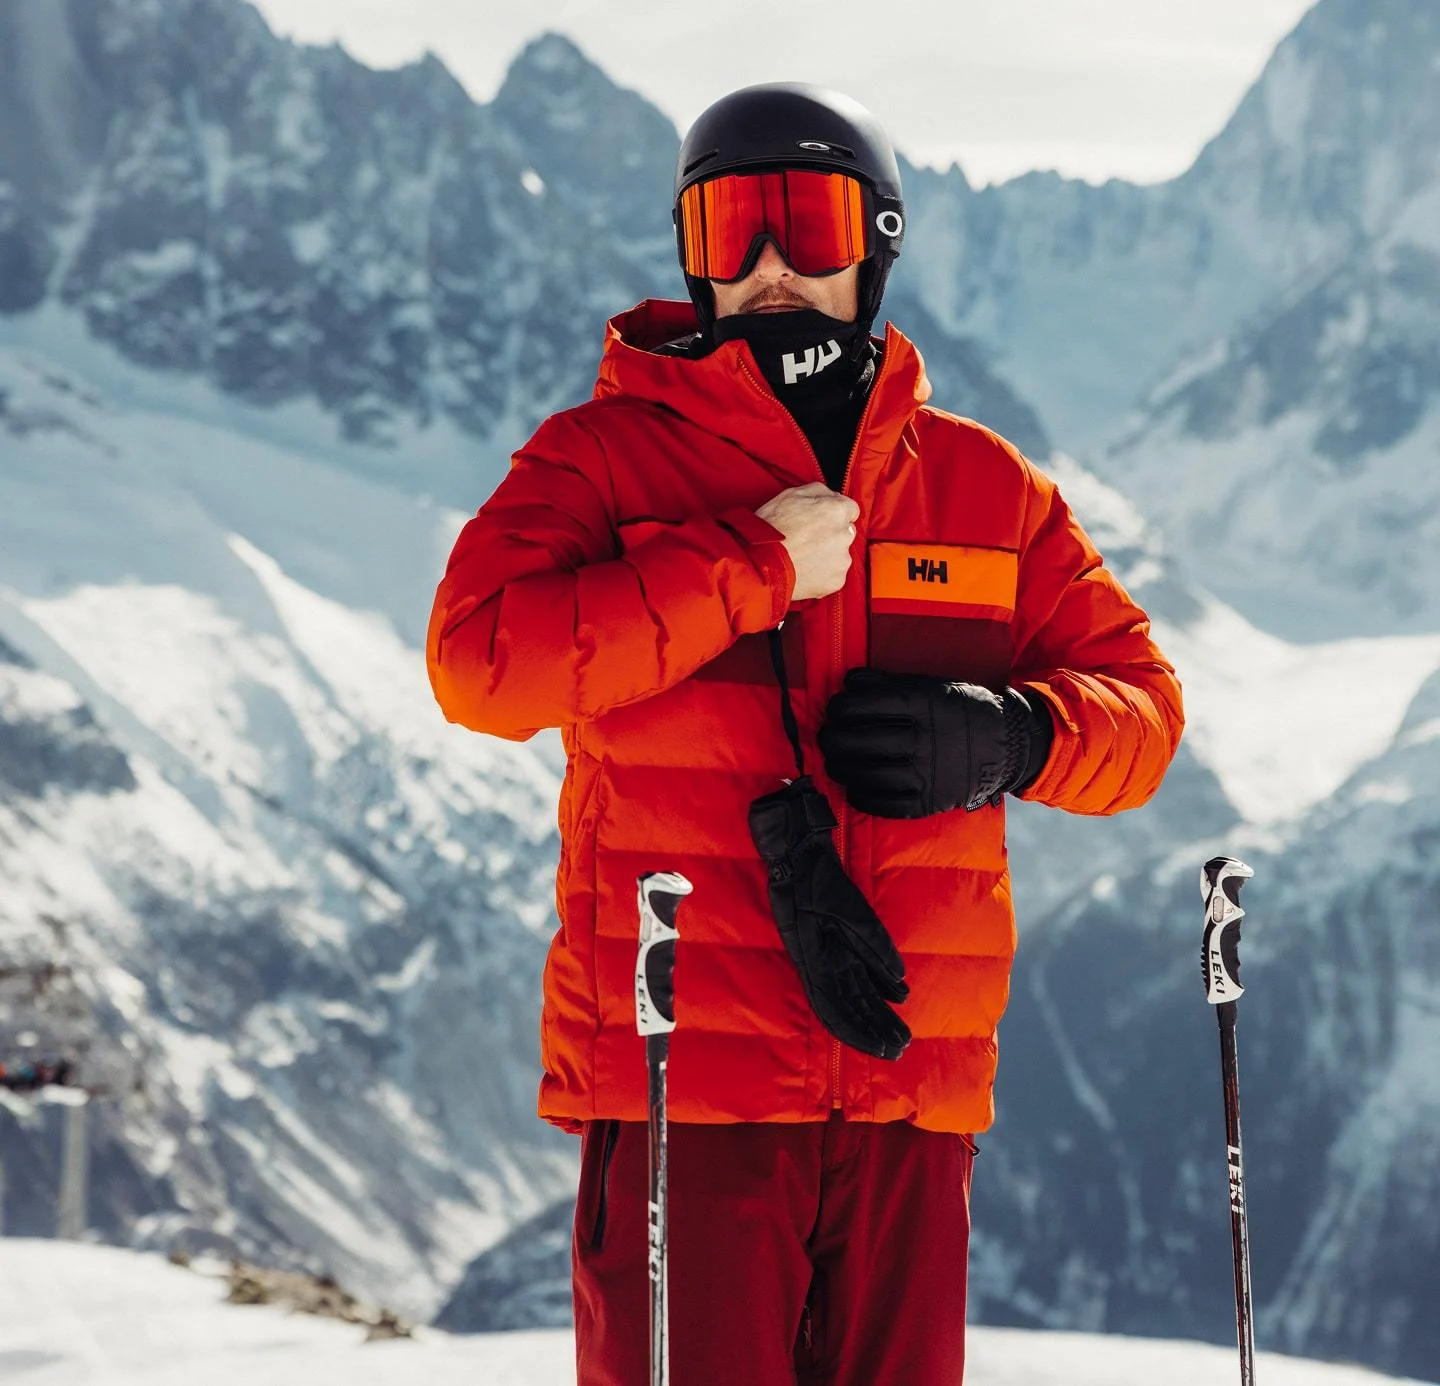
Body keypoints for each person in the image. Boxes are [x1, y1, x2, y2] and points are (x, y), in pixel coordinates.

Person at [427, 83, 1183, 1386]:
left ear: (875, 242)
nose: (772, 266)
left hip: (907, 1088)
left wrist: (1017, 736)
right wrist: (747, 566)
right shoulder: (600, 462)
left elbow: (1146, 715)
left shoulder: (984, 490)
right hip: (687, 1085)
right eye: (733, 232)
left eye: (809, 223)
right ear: (693, 257)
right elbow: (481, 660)